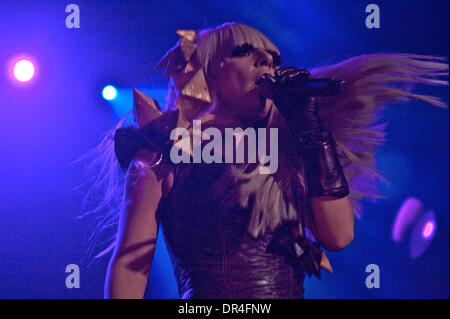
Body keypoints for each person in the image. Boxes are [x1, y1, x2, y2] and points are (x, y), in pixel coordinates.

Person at [82, 22, 448, 299]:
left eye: (274, 58)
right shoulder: (162, 156)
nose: (267, 61)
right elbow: (131, 267)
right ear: (207, 70)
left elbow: (338, 236)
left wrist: (311, 127)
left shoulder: (295, 149)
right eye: (245, 51)